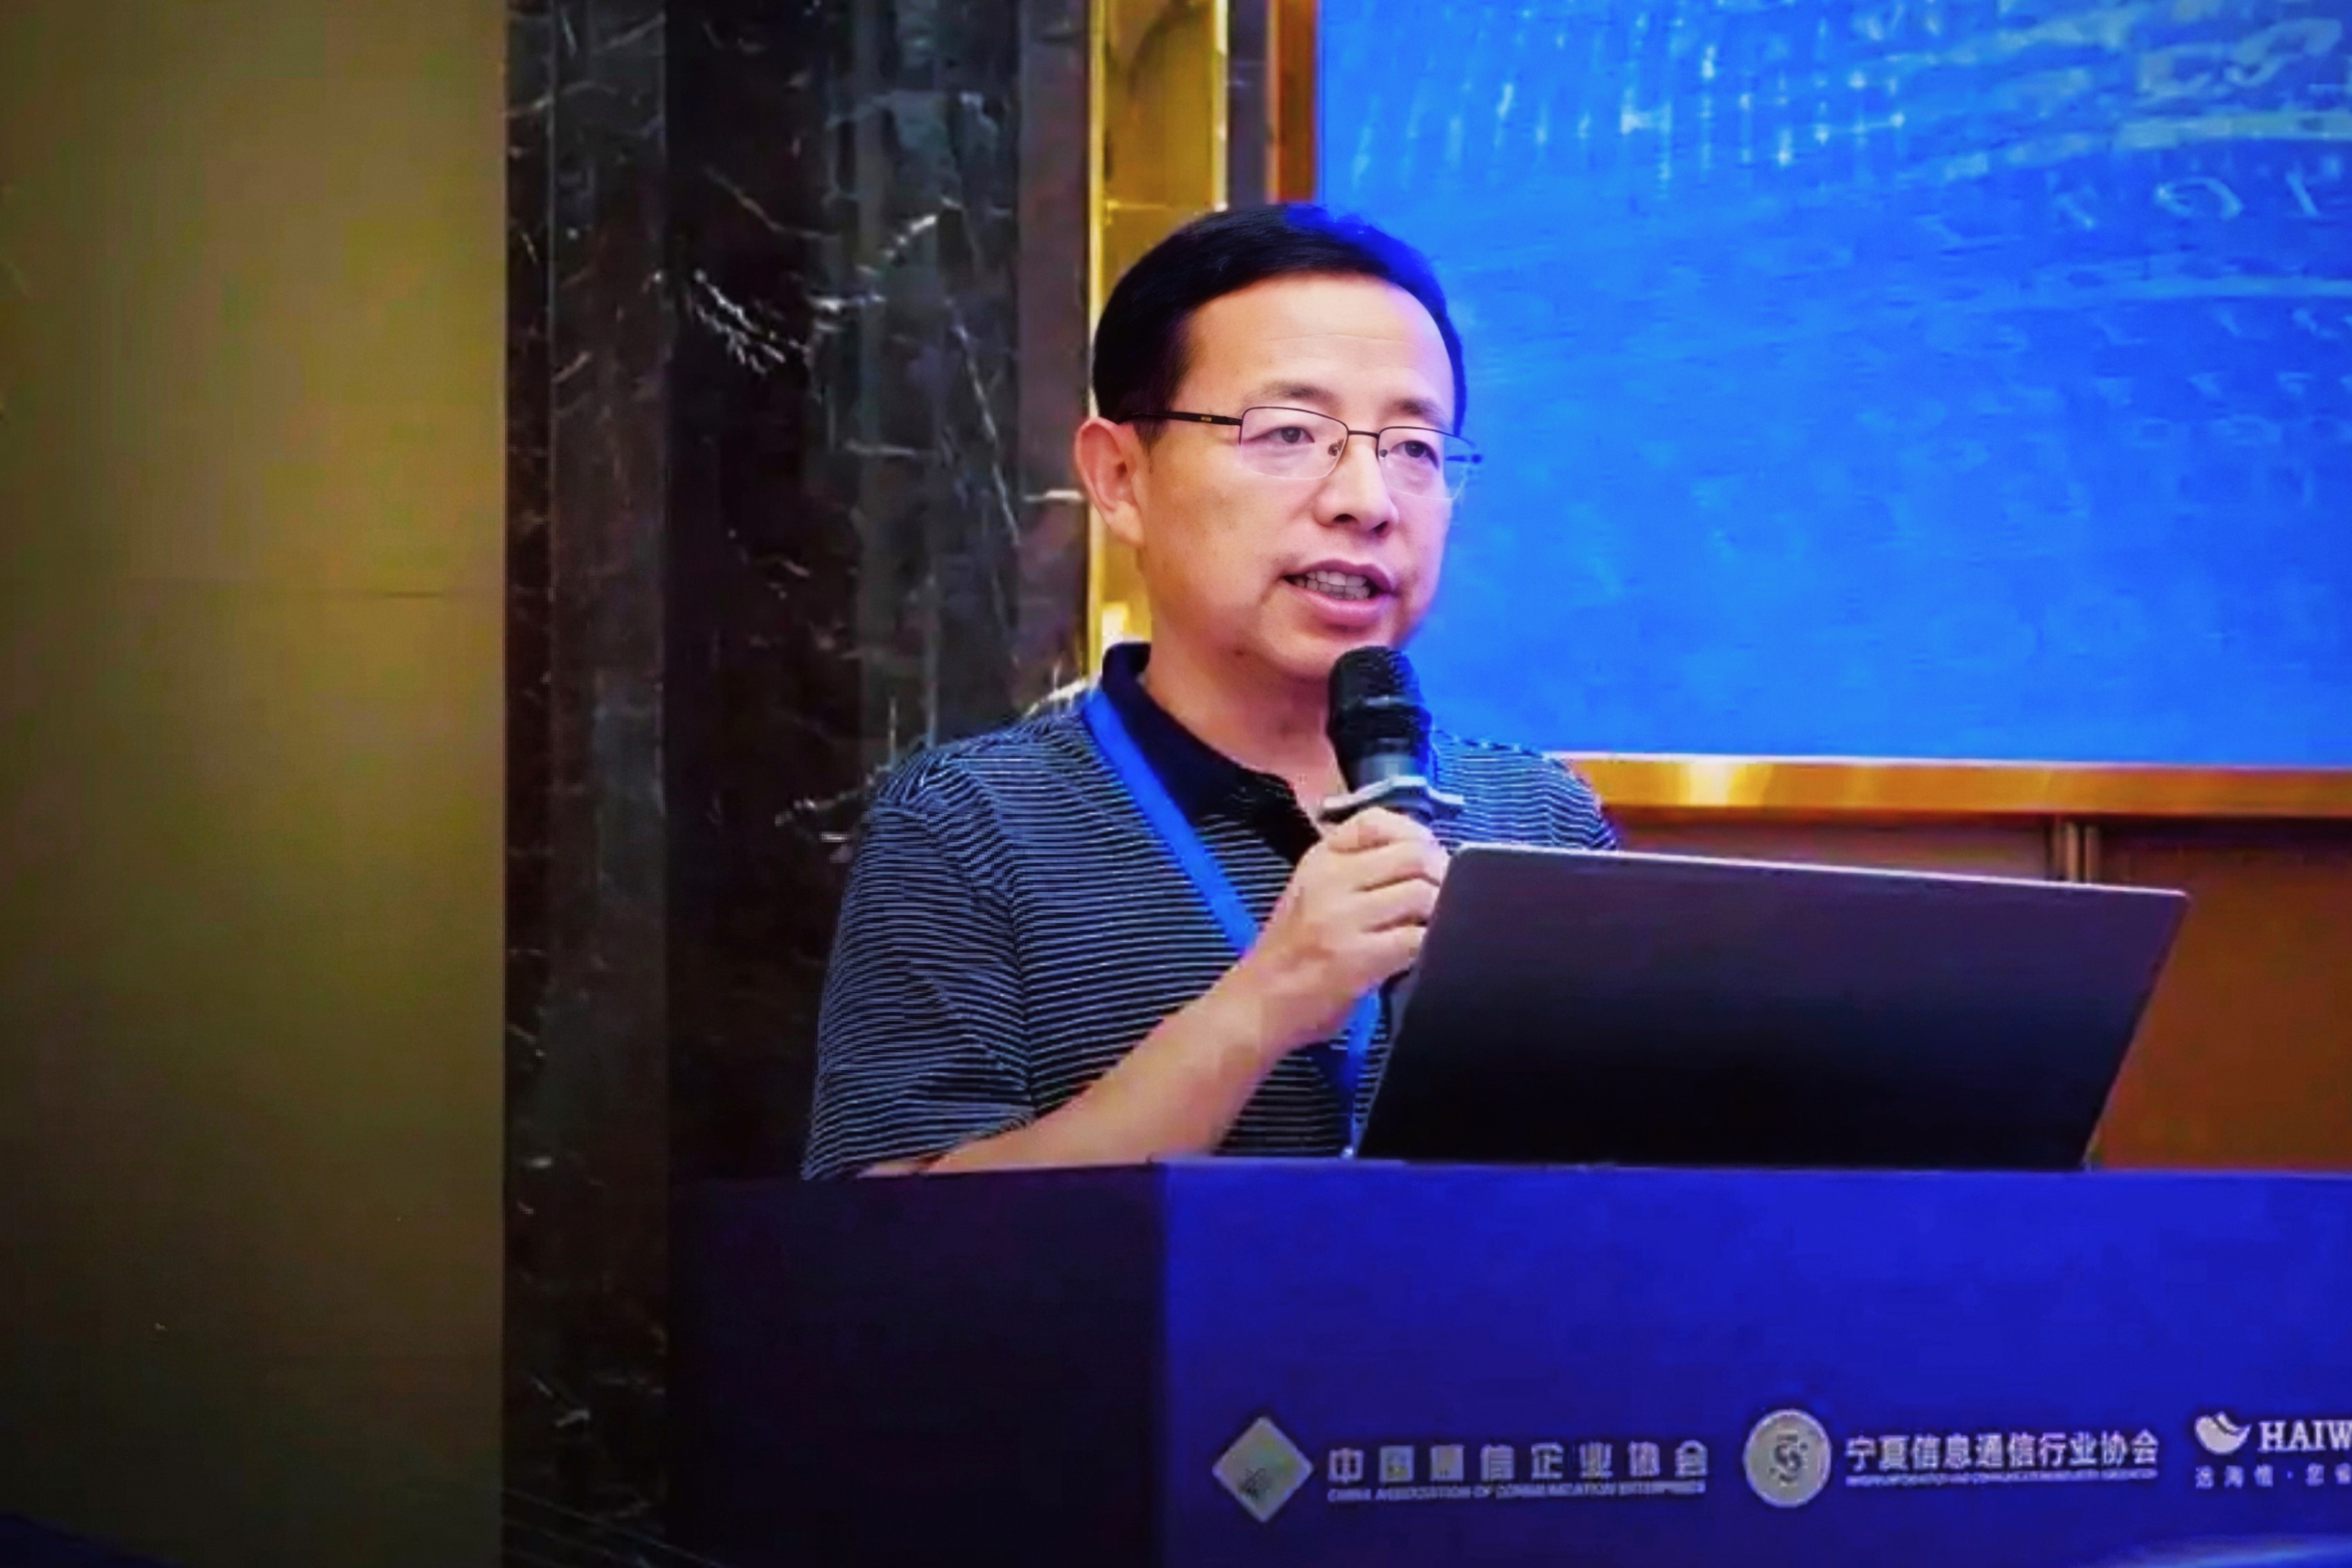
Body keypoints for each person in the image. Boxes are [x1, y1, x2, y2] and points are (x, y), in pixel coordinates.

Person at [800, 204, 1615, 1178]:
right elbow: (889, 1233)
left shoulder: (1538, 822)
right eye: (1289, 433)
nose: (1367, 500)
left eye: (1414, 449)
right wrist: (1268, 1001)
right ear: (1120, 477)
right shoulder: (970, 826)